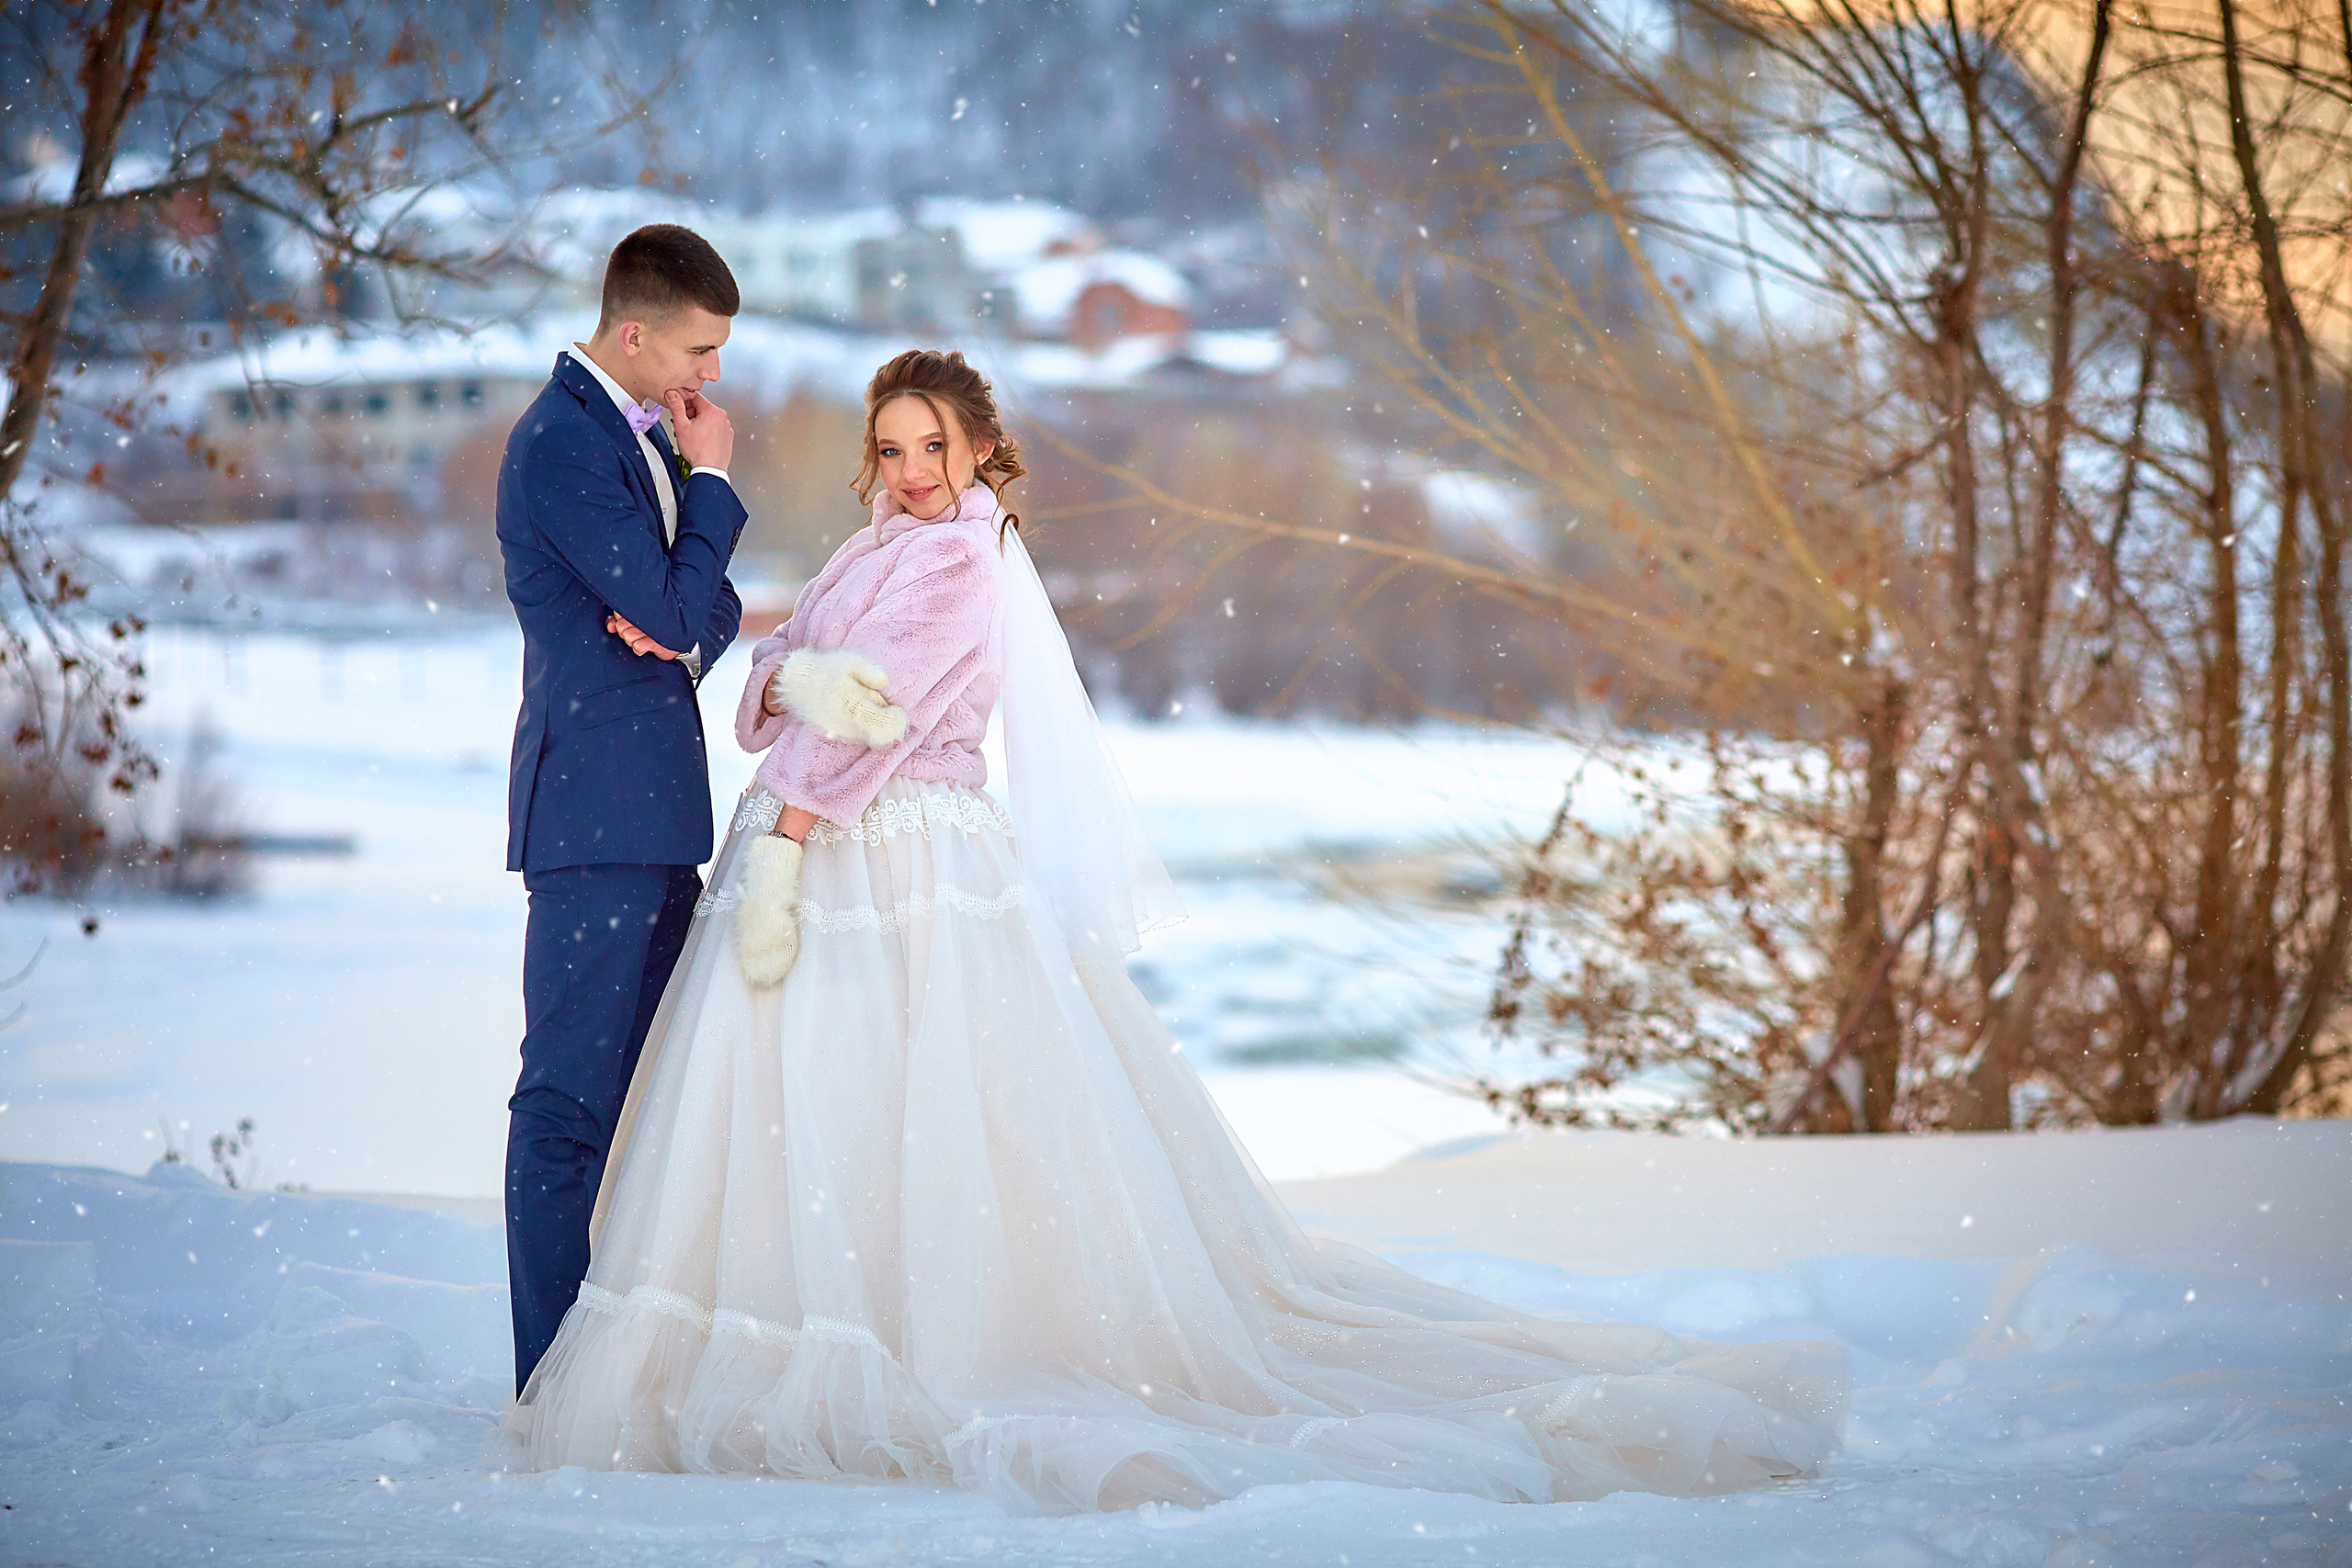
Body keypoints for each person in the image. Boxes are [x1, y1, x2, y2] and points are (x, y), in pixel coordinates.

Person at [494, 348, 1846, 1515]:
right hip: (813, 841)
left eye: (935, 446)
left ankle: (928, 1341)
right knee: (816, 1114)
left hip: (890, 858)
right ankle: (813, 1326)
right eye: (892, 447)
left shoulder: (966, 558)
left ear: (979, 450)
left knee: (917, 1104)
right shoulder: (868, 548)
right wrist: (776, 672)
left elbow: (867, 712)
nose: (911, 470)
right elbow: (773, 702)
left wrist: (789, 806)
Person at [494, 223, 748, 1396]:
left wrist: (684, 600)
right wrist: (715, 490)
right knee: (567, 1107)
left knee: (655, 1106)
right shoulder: (560, 443)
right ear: (635, 332)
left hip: (654, 823)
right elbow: (687, 609)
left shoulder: (629, 437)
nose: (709, 376)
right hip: (594, 821)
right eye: (698, 350)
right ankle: (550, 1385)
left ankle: (625, 1363)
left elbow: (708, 611)